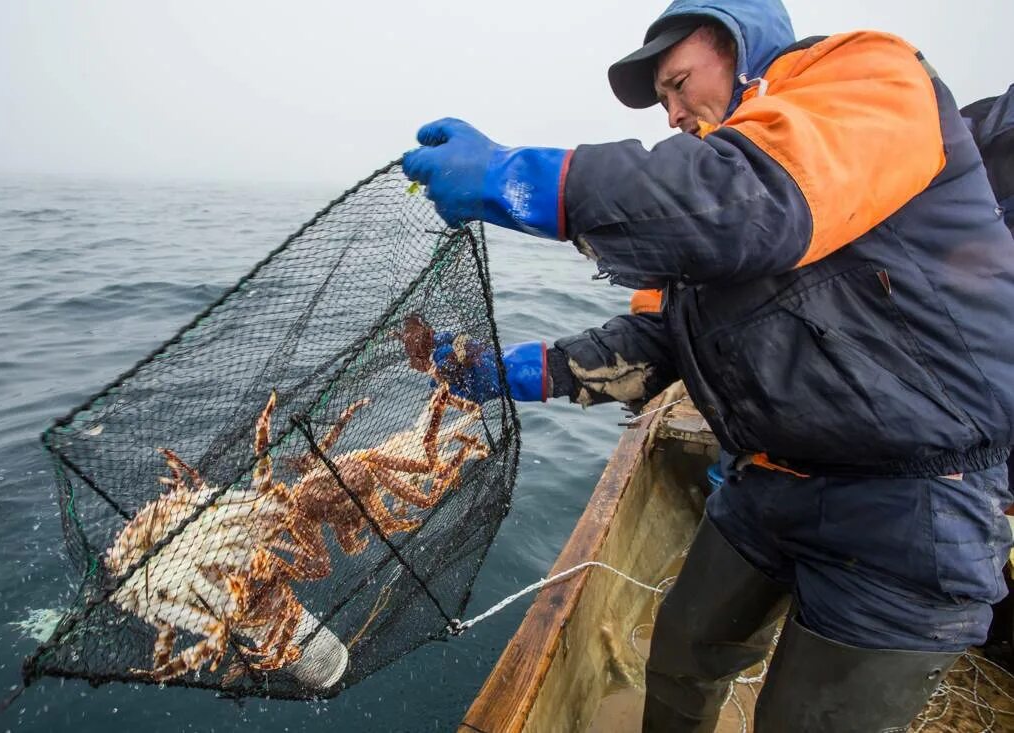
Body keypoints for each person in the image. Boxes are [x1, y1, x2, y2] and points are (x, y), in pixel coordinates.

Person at [402, 0, 1014, 730]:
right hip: (767, 480)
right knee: (681, 661)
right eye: (660, 97)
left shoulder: (868, 80)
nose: (670, 113)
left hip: (910, 506)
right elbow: (653, 344)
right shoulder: (710, 234)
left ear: (739, 47)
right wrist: (507, 373)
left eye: (677, 83)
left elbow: (741, 200)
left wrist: (519, 177)